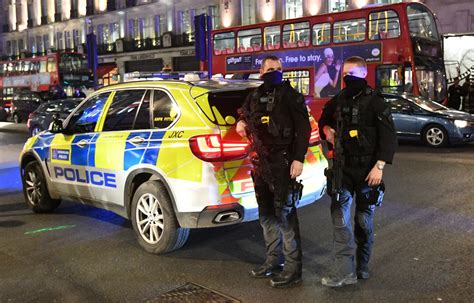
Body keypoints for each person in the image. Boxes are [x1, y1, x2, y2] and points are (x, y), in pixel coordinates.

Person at [318, 56, 397, 287]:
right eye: (344, 73)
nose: (346, 77)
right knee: (340, 220)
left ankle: (362, 265)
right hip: (343, 169)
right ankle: (345, 270)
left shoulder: (376, 102)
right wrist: (327, 129)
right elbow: (323, 118)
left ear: (363, 74)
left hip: (368, 171)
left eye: (351, 73)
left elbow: (389, 137)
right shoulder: (339, 99)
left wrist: (379, 166)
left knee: (363, 221)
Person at [236, 55, 311, 288]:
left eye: (278, 69)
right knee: (266, 216)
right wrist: (240, 122)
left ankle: (293, 269)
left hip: (283, 163)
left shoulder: (291, 96)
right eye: (270, 69)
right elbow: (244, 114)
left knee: (286, 217)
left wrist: (298, 160)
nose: (274, 72)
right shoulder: (255, 96)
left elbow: (304, 129)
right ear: (261, 71)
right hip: (260, 165)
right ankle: (272, 262)